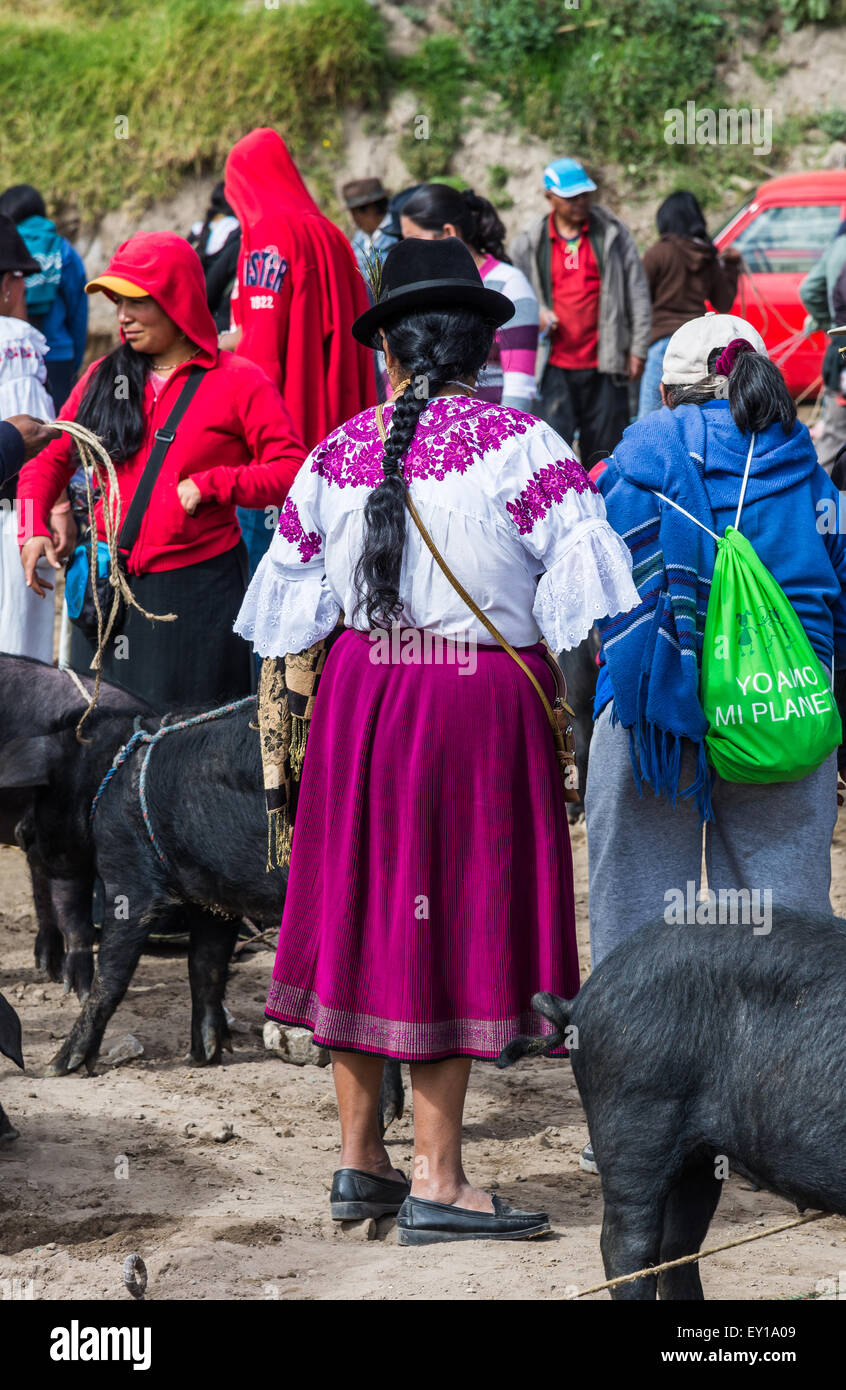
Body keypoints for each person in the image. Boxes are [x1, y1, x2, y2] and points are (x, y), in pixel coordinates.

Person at [235, 237, 638, 1242]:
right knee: (443, 915)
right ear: (480, 350)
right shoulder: (527, 447)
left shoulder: (336, 450)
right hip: (470, 703)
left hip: (362, 695)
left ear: (391, 356)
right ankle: (439, 1177)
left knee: (369, 904)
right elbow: (585, 597)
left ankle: (359, 1163)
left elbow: (284, 615)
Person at [586, 312, 846, 968]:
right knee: (780, 932)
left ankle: (639, 1061)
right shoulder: (811, 473)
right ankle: (776, 1066)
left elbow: (587, 596)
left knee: (637, 925)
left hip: (651, 717)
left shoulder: (629, 468)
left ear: (667, 393)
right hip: (778, 713)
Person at [17, 231, 305, 709]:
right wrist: (31, 525)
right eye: (117, 302)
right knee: (95, 737)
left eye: (137, 302)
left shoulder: (239, 381)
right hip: (107, 590)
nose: (123, 317)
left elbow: (291, 469)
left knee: (188, 742)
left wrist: (217, 484)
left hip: (197, 596)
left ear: (177, 301)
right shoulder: (101, 378)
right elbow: (50, 455)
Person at [223, 129, 376, 574]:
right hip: (339, 446)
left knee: (266, 592)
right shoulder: (332, 234)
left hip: (278, 449)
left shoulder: (268, 237)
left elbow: (262, 353)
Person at [512, 157, 651, 468]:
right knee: (550, 453)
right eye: (571, 197)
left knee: (605, 455)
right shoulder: (530, 242)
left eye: (584, 195)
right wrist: (540, 313)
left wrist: (638, 350)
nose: (580, 203)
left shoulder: (611, 235)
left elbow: (637, 292)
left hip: (605, 363)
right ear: (550, 197)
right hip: (552, 367)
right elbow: (517, 295)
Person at [400, 184, 539, 413]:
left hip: (490, 434)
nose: (408, 251)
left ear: (448, 233)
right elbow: (419, 373)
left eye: (414, 239)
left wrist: (499, 438)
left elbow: (519, 388)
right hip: (433, 436)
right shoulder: (424, 292)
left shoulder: (509, 284)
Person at [0, 214, 65, 662]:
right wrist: (47, 513)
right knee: (18, 653)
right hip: (11, 518)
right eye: (21, 278)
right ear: (7, 283)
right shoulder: (17, 341)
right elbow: (35, 443)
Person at [637, 191, 740, 417]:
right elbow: (723, 303)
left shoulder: (659, 253)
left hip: (662, 347)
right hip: (697, 345)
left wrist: (633, 350)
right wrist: (732, 268)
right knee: (694, 416)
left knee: (649, 419)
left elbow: (638, 300)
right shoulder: (707, 256)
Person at [0, 185, 88, 411]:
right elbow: (78, 311)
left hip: (9, 354)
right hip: (58, 354)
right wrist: (74, 360)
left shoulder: (7, 245)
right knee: (58, 431)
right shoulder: (63, 250)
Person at [800, 219, 846, 473]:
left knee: (834, 437)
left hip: (840, 350)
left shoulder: (840, 245)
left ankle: (823, 506)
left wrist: (827, 320)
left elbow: (810, 290)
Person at [188, 181, 241, 333]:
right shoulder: (235, 231)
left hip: (190, 314)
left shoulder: (198, 230)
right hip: (217, 319)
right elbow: (215, 282)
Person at [342, 177, 399, 279]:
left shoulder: (398, 233)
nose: (354, 219)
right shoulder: (359, 238)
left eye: (355, 213)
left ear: (371, 208)